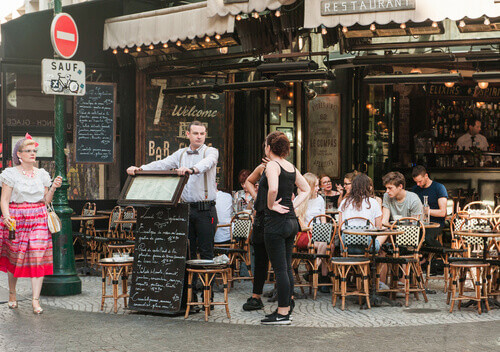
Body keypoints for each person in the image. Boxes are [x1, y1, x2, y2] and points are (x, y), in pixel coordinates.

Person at [127, 121, 218, 262]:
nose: (199, 137)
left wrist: (191, 169)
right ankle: (188, 284)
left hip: (205, 210)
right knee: (187, 251)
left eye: (202, 133)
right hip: (186, 209)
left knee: (206, 251)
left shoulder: (211, 151)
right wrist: (140, 169)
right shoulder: (181, 154)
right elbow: (162, 164)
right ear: (188, 134)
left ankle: (206, 284)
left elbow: (207, 163)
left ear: (205, 135)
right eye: (195, 133)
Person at [0, 133, 63, 315]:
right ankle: (12, 293)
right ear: (19, 154)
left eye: (34, 150)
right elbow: (4, 200)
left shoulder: (42, 174)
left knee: (37, 256)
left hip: (38, 216)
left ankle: (35, 300)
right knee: (15, 258)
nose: (32, 153)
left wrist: (53, 187)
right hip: (17, 217)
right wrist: (7, 216)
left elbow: (45, 200)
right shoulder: (10, 174)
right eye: (28, 151)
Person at [259, 131, 310, 325]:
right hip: (291, 222)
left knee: (280, 268)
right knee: (286, 266)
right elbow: (306, 189)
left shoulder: (272, 165)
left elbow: (272, 189)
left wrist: (271, 205)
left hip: (276, 221)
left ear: (268, 147)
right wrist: (292, 205)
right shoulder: (290, 166)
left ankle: (281, 314)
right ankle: (286, 308)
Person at [296, 173, 329, 292]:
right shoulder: (300, 199)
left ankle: (315, 270)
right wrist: (311, 229)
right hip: (305, 234)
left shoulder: (320, 199)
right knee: (323, 245)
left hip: (318, 233)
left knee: (326, 244)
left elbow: (323, 219)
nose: (318, 188)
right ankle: (319, 274)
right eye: (315, 186)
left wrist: (324, 230)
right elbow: (301, 223)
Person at [411, 165, 448, 247]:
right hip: (419, 222)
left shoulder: (439, 188)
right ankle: (418, 256)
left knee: (427, 238)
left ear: (426, 176)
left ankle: (444, 253)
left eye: (420, 181)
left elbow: (442, 213)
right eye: (416, 182)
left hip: (436, 222)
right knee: (408, 235)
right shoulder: (415, 189)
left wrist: (426, 211)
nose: (418, 184)